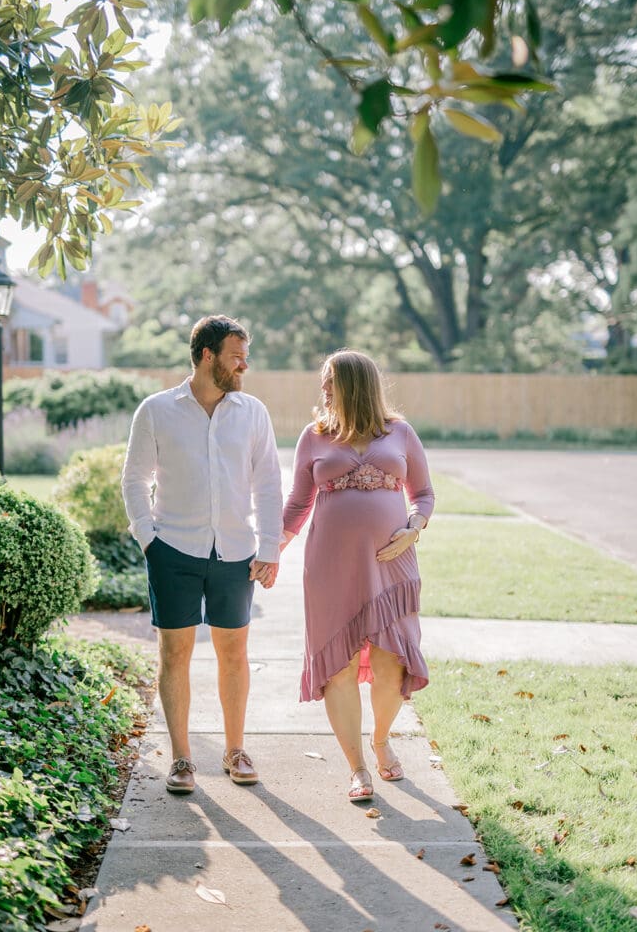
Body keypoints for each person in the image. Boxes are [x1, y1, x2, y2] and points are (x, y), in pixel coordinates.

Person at [122, 315, 283, 795]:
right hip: (173, 549)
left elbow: (269, 482)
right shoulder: (156, 410)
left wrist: (270, 546)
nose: (244, 365)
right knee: (176, 653)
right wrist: (147, 538)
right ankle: (182, 758)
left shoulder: (252, 412)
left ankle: (235, 750)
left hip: (236, 551)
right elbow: (134, 478)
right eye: (237, 355)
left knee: (234, 652)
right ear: (208, 355)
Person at [281, 350, 434, 802]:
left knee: (391, 665)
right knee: (340, 666)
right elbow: (297, 503)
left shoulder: (400, 433)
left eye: (330, 381)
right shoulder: (314, 437)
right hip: (330, 567)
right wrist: (272, 550)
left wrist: (413, 529)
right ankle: (357, 768)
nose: (323, 389)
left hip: (391, 564)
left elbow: (423, 494)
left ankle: (381, 739)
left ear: (354, 385)